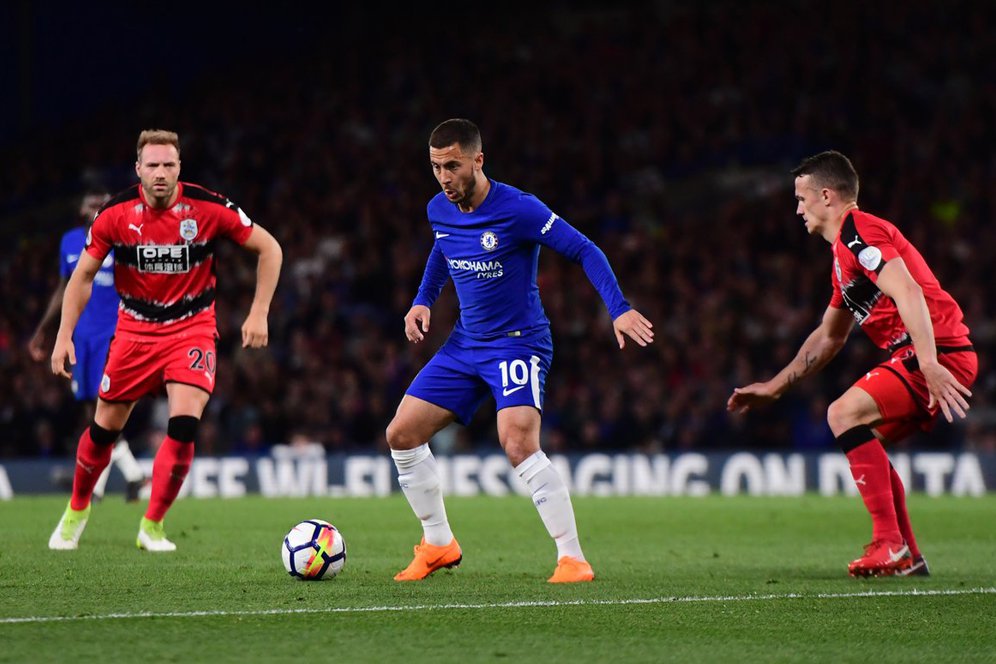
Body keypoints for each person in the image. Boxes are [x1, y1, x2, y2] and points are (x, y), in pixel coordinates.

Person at [387, 119, 654, 583]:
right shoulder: (439, 208)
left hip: (517, 343)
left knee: (516, 442)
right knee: (401, 435)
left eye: (452, 165)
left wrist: (618, 309)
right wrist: (422, 300)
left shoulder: (520, 209)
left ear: (478, 160)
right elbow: (442, 249)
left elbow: (585, 250)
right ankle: (437, 544)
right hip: (465, 344)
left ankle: (572, 558)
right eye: (435, 167)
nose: (444, 177)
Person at [727, 150, 975, 577]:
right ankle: (907, 555)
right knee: (865, 441)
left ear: (826, 196)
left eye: (802, 199)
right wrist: (774, 387)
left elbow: (910, 293)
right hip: (924, 353)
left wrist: (931, 363)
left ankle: (889, 544)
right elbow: (830, 336)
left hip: (936, 352)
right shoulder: (844, 257)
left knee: (843, 412)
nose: (797, 209)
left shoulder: (861, 232)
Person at [48, 129, 282, 551]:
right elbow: (81, 276)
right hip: (134, 331)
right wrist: (64, 335)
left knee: (184, 424)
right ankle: (77, 510)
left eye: (168, 165)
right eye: (152, 165)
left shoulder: (208, 208)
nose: (160, 173)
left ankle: (152, 525)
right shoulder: (115, 215)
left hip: (190, 329)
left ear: (179, 169)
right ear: (138, 169)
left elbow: (270, 248)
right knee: (103, 432)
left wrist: (260, 310)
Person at [29, 186, 147, 502]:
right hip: (81, 338)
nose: (95, 206)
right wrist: (44, 329)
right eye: (90, 201)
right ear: (80, 208)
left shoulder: (121, 240)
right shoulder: (69, 241)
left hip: (112, 333)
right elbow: (63, 288)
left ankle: (95, 486)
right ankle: (132, 476)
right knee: (89, 410)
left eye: (101, 201)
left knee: (102, 407)